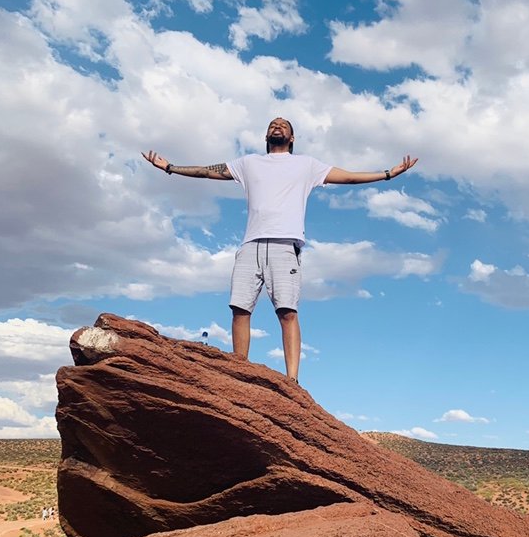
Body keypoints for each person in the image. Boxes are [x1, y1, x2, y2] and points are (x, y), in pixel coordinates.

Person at [144, 118, 418, 381]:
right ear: (266, 136)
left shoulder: (306, 165)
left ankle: (292, 380)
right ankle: (240, 370)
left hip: (285, 245)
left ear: (292, 137)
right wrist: (170, 167)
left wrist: (386, 175)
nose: (277, 126)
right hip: (251, 244)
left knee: (287, 312)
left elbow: (347, 177)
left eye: (283, 125)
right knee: (240, 309)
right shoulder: (248, 163)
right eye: (272, 125)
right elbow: (208, 171)